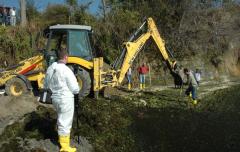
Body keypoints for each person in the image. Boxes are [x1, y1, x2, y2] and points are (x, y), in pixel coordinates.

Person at [44, 48, 79, 152]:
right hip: (65, 99)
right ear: (66, 57)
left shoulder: (51, 68)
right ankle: (64, 147)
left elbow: (46, 84)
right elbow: (75, 89)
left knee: (60, 118)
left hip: (55, 98)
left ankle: (62, 139)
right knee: (65, 121)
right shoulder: (66, 70)